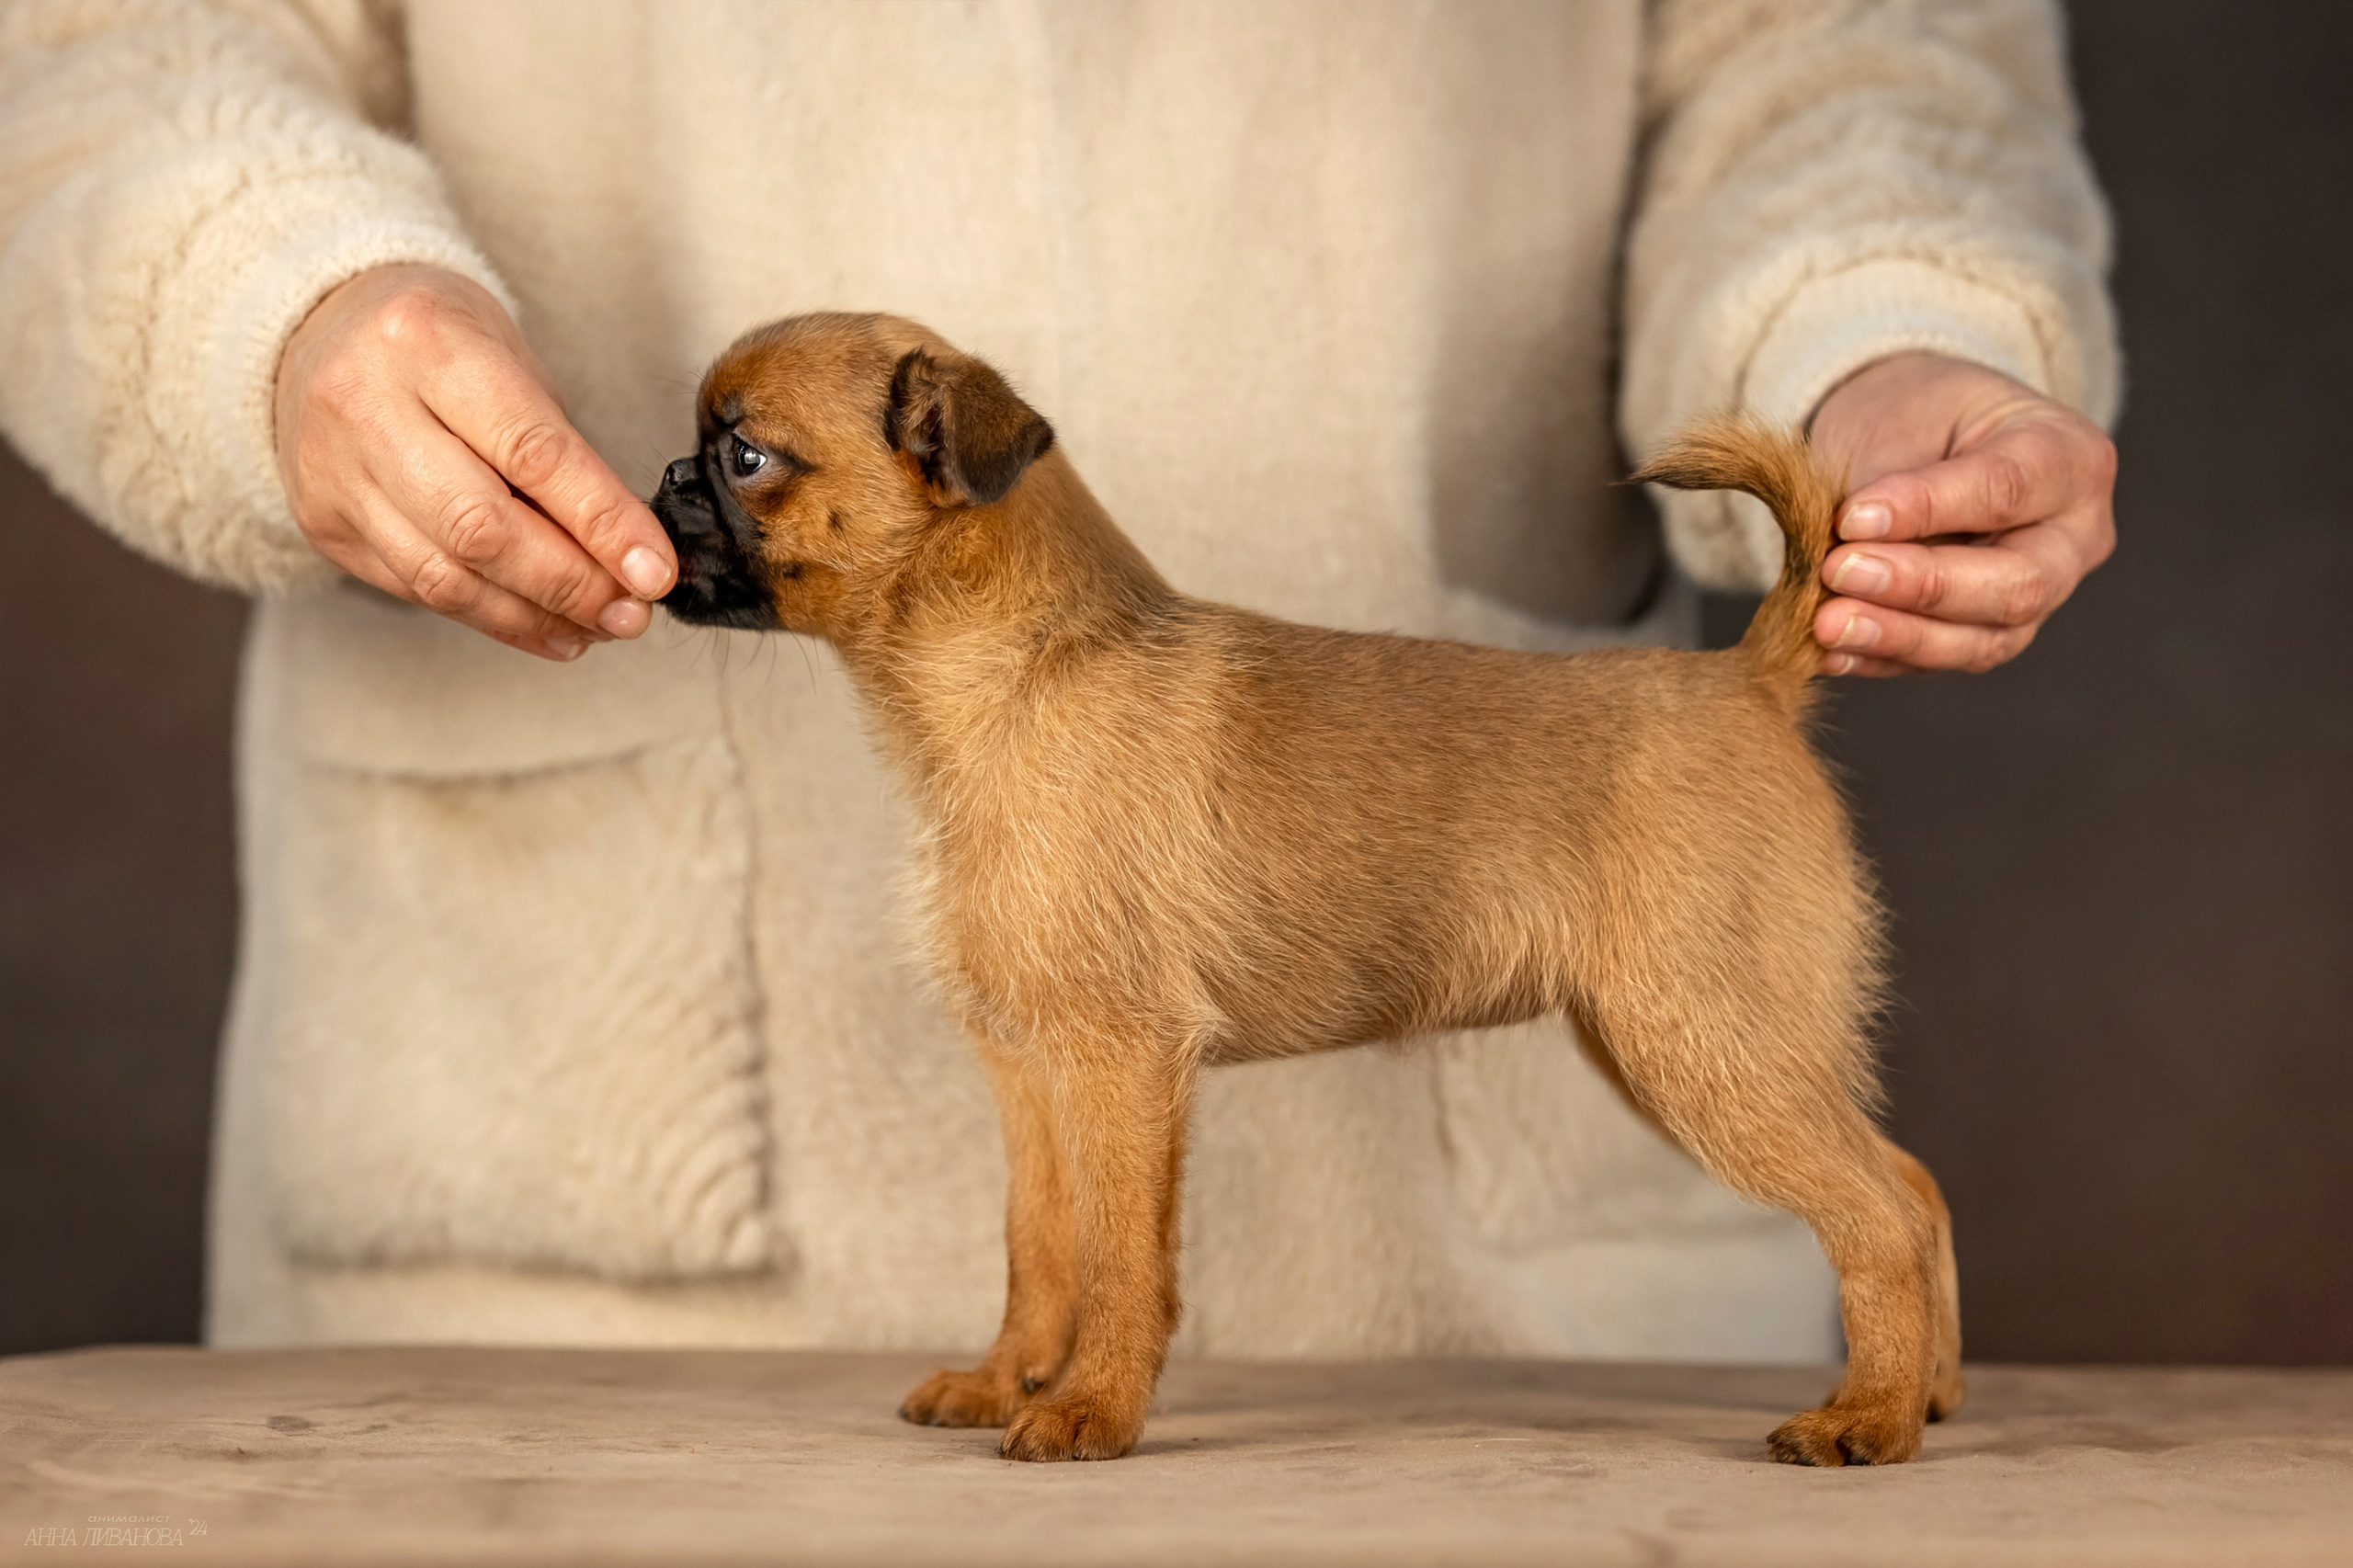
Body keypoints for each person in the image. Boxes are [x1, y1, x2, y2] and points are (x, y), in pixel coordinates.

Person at [0, 2, 2116, 1360]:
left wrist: (1880, 325)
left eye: (753, 469)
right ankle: (1050, 1345)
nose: (706, 494)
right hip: (543, 1295)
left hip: (1512, 1341)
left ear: (946, 466)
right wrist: (261, 295)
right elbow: (92, 53)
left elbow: (1849, 56)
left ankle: (1874, 1333)